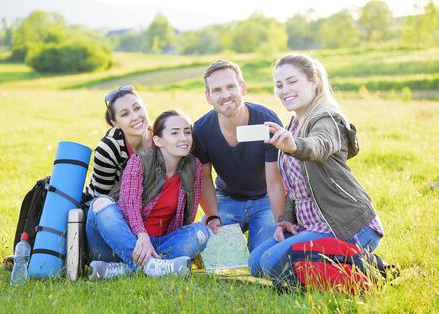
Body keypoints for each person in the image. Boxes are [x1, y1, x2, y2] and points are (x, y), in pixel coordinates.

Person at [248, 53, 384, 282]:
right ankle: (334, 262)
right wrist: (287, 218)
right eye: (279, 85)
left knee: (273, 265)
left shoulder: (327, 118)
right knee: (257, 263)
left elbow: (318, 146)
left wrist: (294, 145)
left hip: (347, 226)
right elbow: (296, 184)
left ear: (314, 82)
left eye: (292, 81)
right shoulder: (294, 122)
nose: (284, 90)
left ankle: (368, 268)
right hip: (312, 225)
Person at [85, 110, 210, 280]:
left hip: (160, 244)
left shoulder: (193, 166)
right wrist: (141, 236)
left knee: (201, 231)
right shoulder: (139, 161)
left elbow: (188, 215)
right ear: (158, 140)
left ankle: (127, 269)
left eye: (187, 132)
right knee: (100, 205)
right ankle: (152, 266)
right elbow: (129, 206)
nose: (184, 138)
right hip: (119, 242)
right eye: (174, 133)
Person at [192, 60, 286, 252]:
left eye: (230, 87)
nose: (225, 95)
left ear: (242, 88)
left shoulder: (265, 121)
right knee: (216, 255)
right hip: (227, 198)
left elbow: (276, 182)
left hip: (266, 199)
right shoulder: (201, 130)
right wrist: (212, 215)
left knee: (264, 254)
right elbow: (204, 178)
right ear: (208, 97)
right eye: (217, 90)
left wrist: (280, 221)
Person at [85, 85, 153, 199]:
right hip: (108, 205)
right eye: (125, 114)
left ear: (145, 108)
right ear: (115, 123)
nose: (135, 116)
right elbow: (101, 200)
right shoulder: (108, 148)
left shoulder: (160, 139)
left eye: (137, 108)